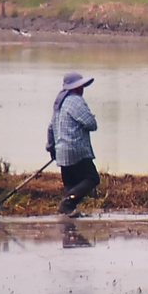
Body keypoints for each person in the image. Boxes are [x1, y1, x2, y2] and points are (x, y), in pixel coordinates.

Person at [46, 70, 100, 216]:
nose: (82, 89)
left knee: (71, 184)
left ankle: (68, 214)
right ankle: (67, 204)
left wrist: (51, 148)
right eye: (81, 86)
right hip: (76, 149)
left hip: (61, 151)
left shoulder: (59, 103)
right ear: (76, 88)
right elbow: (91, 124)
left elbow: (51, 127)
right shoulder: (76, 101)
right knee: (92, 178)